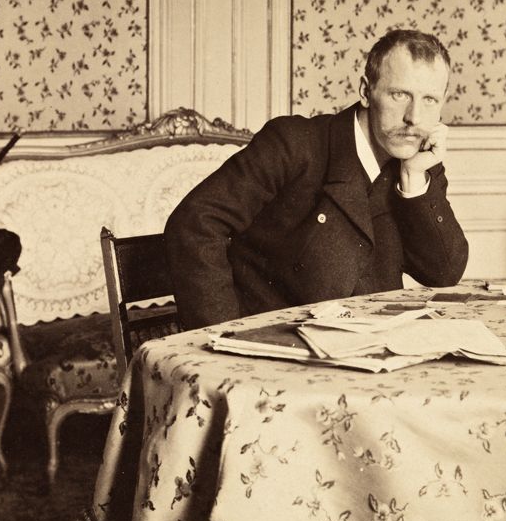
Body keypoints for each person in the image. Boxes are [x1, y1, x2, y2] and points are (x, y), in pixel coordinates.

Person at [164, 29, 470, 330]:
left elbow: (443, 273)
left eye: (429, 100)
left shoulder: (418, 162)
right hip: (280, 351)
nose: (414, 117)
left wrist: (414, 180)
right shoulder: (295, 143)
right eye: (400, 95)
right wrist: (223, 334)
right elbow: (195, 223)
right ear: (366, 91)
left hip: (369, 348)